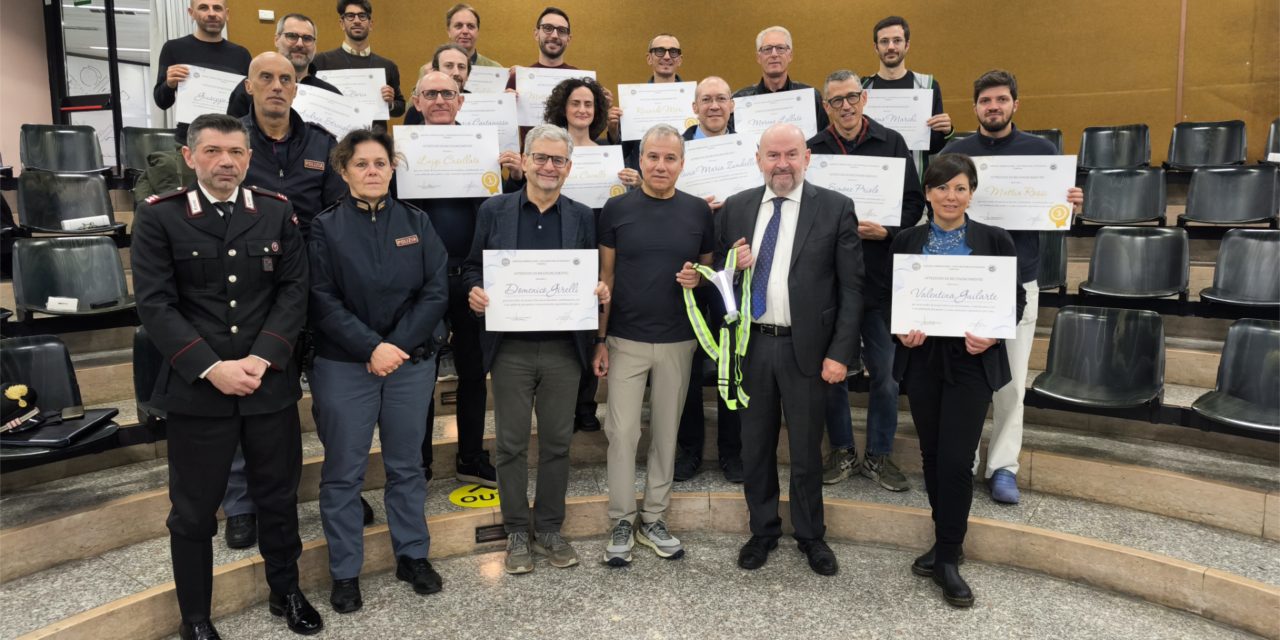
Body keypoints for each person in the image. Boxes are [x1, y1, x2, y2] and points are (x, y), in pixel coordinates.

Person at [131, 113, 321, 640]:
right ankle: (196, 617)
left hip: (268, 385)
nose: (226, 162)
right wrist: (213, 368)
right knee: (192, 514)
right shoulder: (159, 216)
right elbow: (156, 305)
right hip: (199, 392)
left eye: (236, 152)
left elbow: (292, 291)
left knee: (279, 499)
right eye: (213, 151)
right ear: (190, 157)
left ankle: (287, 591)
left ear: (248, 158)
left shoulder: (275, 213)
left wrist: (261, 360)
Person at [678, 123, 863, 577]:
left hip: (808, 350)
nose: (782, 164)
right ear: (758, 159)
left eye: (791, 154)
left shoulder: (835, 208)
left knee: (805, 449)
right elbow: (723, 284)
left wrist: (840, 353)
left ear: (807, 157)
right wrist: (725, 270)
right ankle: (762, 530)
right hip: (751, 347)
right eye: (773, 155)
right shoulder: (737, 208)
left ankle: (810, 535)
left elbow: (853, 288)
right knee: (754, 446)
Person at [309, 128, 449, 614]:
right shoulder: (324, 228)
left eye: (381, 163)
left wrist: (396, 345)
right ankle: (345, 571)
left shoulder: (417, 221)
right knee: (343, 473)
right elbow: (321, 299)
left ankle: (413, 555)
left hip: (409, 364)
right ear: (343, 171)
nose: (373, 171)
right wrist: (372, 347)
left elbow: (435, 291)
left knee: (407, 466)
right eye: (362, 164)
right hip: (344, 365)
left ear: (393, 169)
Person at [464, 124, 610, 574]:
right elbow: (472, 265)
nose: (549, 167)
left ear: (569, 167)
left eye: (558, 160)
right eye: (541, 158)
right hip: (510, 349)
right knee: (509, 445)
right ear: (524, 161)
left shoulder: (584, 215)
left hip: (565, 350)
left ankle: (548, 527)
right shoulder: (494, 209)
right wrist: (475, 292)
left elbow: (590, 274)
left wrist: (599, 290)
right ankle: (514, 532)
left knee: (557, 443)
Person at [216, 51, 347, 550]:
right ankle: (242, 504)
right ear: (249, 86)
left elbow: (337, 215)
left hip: (316, 289)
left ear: (298, 87)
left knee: (335, 400)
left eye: (286, 79)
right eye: (265, 78)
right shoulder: (231, 144)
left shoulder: (321, 143)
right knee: (250, 398)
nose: (276, 86)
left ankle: (340, 487)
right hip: (250, 293)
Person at [941, 70, 1083, 504]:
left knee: (1011, 383)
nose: (994, 107)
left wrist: (1073, 206)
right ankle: (962, 461)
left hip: (1020, 281)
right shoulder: (955, 152)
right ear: (976, 107)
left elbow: (1057, 219)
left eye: (1001, 99)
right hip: (963, 281)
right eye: (986, 101)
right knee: (962, 380)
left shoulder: (1041, 153)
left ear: (1015, 104)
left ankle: (1002, 466)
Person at [891, 153, 1025, 608]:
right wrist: (901, 331)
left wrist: (991, 335)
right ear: (927, 192)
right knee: (930, 454)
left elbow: (1016, 300)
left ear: (971, 193)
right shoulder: (906, 240)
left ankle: (948, 555)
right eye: (942, 187)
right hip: (923, 358)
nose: (951, 196)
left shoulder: (996, 239)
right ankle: (946, 539)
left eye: (960, 188)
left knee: (955, 457)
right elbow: (893, 299)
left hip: (971, 362)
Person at [596, 124, 714, 566]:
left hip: (679, 341)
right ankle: (623, 518)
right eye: (652, 157)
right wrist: (600, 339)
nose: (661, 166)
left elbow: (707, 277)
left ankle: (655, 517)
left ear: (682, 163)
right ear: (639, 160)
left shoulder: (700, 212)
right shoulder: (615, 209)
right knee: (622, 433)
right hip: (625, 338)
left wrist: (695, 280)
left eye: (670, 158)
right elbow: (605, 279)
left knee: (666, 432)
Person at [399, 71, 524, 487]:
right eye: (430, 93)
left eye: (447, 94)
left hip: (469, 277)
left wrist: (511, 178)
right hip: (417, 281)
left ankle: (471, 455)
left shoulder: (481, 149)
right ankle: (419, 461)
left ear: (461, 101)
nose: (439, 100)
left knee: (473, 371)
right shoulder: (401, 150)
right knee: (421, 373)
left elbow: (498, 212)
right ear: (416, 101)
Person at [807, 70, 925, 491]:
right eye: (836, 100)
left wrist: (888, 232)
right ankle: (841, 451)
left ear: (865, 99)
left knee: (886, 376)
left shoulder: (892, 142)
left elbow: (913, 205)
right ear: (826, 107)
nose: (845, 106)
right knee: (831, 372)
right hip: (830, 283)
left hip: (878, 281)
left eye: (852, 97)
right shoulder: (813, 150)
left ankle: (878, 455)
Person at [538, 77, 638, 432]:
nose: (582, 110)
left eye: (588, 105)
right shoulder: (550, 153)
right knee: (564, 324)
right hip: (560, 244)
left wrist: (631, 186)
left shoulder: (610, 153)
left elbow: (625, 208)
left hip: (600, 244)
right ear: (563, 108)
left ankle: (585, 403)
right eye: (575, 104)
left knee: (593, 321)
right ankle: (559, 401)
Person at [673, 75, 744, 484]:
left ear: (731, 104)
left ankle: (733, 452)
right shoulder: (676, 149)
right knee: (686, 363)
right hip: (686, 272)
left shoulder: (748, 148)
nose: (714, 105)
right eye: (706, 99)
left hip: (736, 272)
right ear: (694, 106)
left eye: (721, 98)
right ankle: (689, 450)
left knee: (732, 360)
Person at [860, 16, 954, 176]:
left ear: (907, 45)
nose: (891, 47)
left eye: (897, 40)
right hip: (875, 177)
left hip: (915, 180)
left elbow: (935, 146)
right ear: (876, 47)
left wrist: (947, 131)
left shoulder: (928, 86)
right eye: (884, 41)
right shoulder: (862, 88)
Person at [152, 0, 251, 137]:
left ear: (226, 14)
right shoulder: (173, 48)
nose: (211, 13)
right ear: (191, 13)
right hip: (190, 139)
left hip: (232, 137)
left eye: (217, 8)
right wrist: (169, 84)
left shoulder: (242, 54)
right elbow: (161, 102)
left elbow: (250, 102)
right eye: (203, 8)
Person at [226, 13, 341, 118]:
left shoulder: (331, 94)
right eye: (292, 36)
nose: (300, 44)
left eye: (307, 38)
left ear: (315, 45)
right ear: (276, 39)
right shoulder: (249, 88)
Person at [312, 1, 406, 124]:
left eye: (362, 16)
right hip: (334, 139)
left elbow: (400, 107)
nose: (356, 20)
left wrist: (390, 104)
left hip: (374, 139)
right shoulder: (321, 61)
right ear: (342, 23)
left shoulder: (388, 66)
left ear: (371, 24)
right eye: (350, 16)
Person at [732, 26, 828, 133]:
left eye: (780, 48)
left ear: (790, 55)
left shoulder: (812, 98)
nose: (774, 54)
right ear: (758, 57)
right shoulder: (739, 101)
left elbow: (823, 142)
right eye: (767, 49)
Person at [606, 33, 685, 147]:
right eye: (660, 51)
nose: (667, 57)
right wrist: (613, 131)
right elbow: (625, 151)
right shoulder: (633, 101)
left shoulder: (694, 99)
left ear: (679, 60)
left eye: (673, 52)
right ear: (649, 58)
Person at [505, 7, 578, 91]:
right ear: (536, 34)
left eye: (562, 30)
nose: (555, 35)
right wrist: (509, 101)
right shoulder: (517, 79)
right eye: (547, 28)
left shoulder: (580, 81)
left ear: (568, 39)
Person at [404, 44, 472, 126]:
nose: (456, 72)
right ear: (435, 70)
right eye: (449, 66)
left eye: (461, 67)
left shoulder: (482, 106)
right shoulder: (416, 110)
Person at [445, 3, 502, 68]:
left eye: (470, 26)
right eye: (459, 26)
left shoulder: (495, 69)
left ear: (477, 31)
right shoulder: (435, 69)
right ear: (449, 31)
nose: (465, 31)